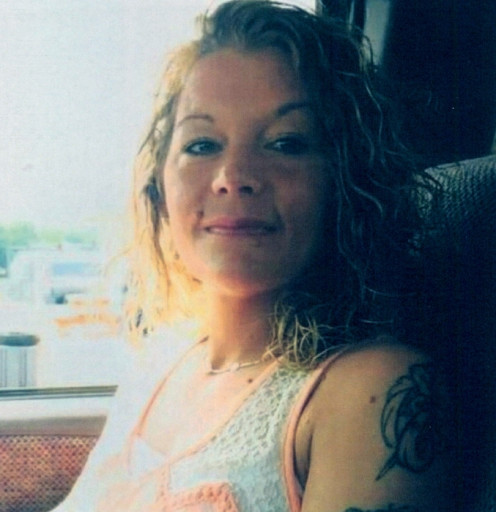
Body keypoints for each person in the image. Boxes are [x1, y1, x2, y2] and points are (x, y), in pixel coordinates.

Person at [53, 1, 451, 511]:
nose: (233, 176)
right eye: (202, 145)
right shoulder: (160, 358)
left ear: (345, 181)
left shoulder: (371, 391)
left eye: (285, 143)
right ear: (160, 184)